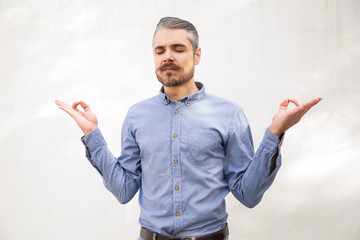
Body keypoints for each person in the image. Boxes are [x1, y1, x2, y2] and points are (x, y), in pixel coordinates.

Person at [55, 17, 322, 240]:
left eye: (178, 48)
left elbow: (248, 194)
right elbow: (124, 190)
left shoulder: (229, 114)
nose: (167, 56)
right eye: (160, 50)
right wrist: (93, 135)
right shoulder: (137, 115)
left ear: (197, 55)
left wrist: (273, 135)